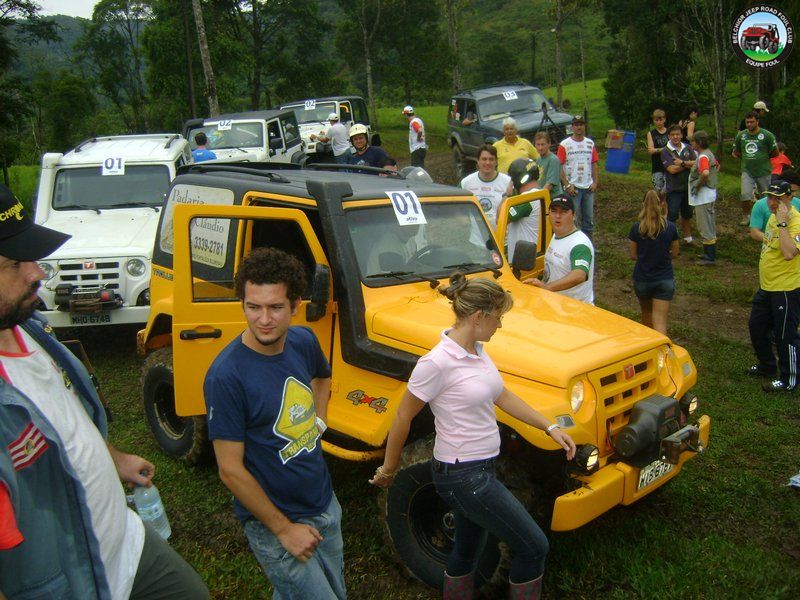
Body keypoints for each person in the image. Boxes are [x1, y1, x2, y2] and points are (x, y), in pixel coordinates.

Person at [0, 184, 209, 600]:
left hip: (128, 545)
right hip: (79, 584)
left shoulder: (29, 329)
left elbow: (63, 417)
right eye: (12, 263)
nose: (37, 273)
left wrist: (113, 459)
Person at [369, 272, 576, 600]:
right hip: (461, 475)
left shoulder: (478, 350)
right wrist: (389, 470)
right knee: (534, 547)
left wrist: (549, 427)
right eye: (498, 318)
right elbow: (402, 416)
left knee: (467, 548)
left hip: (481, 468)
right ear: (479, 317)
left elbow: (501, 395)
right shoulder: (436, 363)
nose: (500, 325)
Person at [204, 247, 344, 599]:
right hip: (277, 523)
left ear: (296, 305)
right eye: (253, 307)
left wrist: (319, 421)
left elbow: (322, 377)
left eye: (275, 307)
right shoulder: (226, 376)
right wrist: (284, 530)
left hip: (324, 503)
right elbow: (230, 470)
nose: (263, 319)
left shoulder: (302, 340)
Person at [747, 181, 800, 393]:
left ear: (789, 198)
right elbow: (768, 244)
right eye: (769, 197)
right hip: (767, 287)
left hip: (786, 289)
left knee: (785, 335)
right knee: (756, 327)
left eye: (777, 198)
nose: (771, 202)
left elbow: (789, 253)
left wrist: (783, 224)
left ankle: (789, 379)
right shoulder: (771, 217)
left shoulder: (794, 221)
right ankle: (767, 366)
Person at [523, 195, 595, 304]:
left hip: (575, 310)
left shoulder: (579, 244)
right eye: (554, 211)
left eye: (563, 212)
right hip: (556, 306)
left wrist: (547, 287)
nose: (557, 216)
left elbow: (579, 275)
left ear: (574, 215)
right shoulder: (557, 235)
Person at [628, 190, 679, 335]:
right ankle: (662, 353)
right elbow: (675, 253)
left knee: (647, 315)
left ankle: (649, 351)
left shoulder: (636, 228)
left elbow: (633, 255)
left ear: (642, 205)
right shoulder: (670, 228)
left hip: (643, 279)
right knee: (660, 320)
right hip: (664, 279)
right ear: (661, 204)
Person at [733, 110, 779, 226]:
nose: (749, 124)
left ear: (757, 122)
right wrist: (746, 158)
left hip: (763, 171)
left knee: (765, 196)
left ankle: (767, 216)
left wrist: (763, 158)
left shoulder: (767, 135)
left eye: (751, 122)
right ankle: (746, 216)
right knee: (745, 194)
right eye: (747, 122)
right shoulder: (741, 135)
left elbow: (775, 152)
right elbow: (736, 151)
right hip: (747, 170)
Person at [558, 115, 599, 239]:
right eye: (576, 125)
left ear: (584, 126)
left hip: (588, 187)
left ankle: (589, 244)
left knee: (589, 220)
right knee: (573, 219)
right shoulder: (564, 145)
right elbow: (559, 166)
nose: (579, 127)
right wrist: (567, 185)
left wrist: (595, 182)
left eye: (581, 124)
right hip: (573, 188)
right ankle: (574, 243)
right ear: (572, 127)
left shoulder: (590, 143)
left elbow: (594, 163)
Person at [459, 143, 512, 228]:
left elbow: (516, 209)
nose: (488, 162)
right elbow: (455, 204)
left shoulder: (508, 182)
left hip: (503, 238)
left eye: (491, 159)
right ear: (478, 161)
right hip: (477, 239)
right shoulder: (466, 182)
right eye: (484, 159)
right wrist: (462, 218)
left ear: (496, 161)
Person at [661, 124, 696, 244]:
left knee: (687, 214)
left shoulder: (688, 147)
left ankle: (688, 238)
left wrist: (681, 163)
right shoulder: (665, 151)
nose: (675, 137)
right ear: (669, 136)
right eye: (673, 135)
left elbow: (696, 164)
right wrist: (687, 165)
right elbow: (671, 169)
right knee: (672, 215)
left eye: (678, 134)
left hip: (688, 187)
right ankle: (670, 239)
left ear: (681, 135)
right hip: (674, 189)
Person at [688, 131, 719, 266]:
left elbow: (705, 172)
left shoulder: (703, 157)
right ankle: (709, 253)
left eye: (693, 141)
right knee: (709, 224)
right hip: (709, 195)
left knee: (704, 225)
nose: (691, 143)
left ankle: (709, 257)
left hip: (704, 196)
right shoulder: (708, 153)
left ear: (699, 143)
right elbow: (717, 166)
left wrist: (698, 184)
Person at [506, 158, 543, 263]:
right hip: (536, 254)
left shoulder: (527, 199)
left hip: (521, 261)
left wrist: (507, 194)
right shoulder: (542, 195)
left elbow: (501, 219)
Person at [749, 169, 800, 242]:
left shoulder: (798, 203)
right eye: (791, 191)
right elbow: (754, 233)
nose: (793, 195)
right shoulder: (760, 205)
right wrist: (775, 241)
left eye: (796, 191)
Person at [646, 109, 670, 204]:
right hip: (657, 166)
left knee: (667, 190)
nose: (659, 122)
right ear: (653, 121)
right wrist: (665, 149)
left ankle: (666, 212)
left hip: (669, 166)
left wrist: (658, 150)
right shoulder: (651, 133)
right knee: (658, 191)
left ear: (664, 120)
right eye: (656, 120)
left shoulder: (669, 132)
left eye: (661, 120)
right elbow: (651, 150)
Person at [533, 131, 563, 197]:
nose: (540, 148)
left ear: (549, 144)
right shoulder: (538, 159)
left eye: (543, 144)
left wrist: (538, 197)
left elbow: (550, 185)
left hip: (554, 197)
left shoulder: (553, 160)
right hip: (543, 196)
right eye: (538, 144)